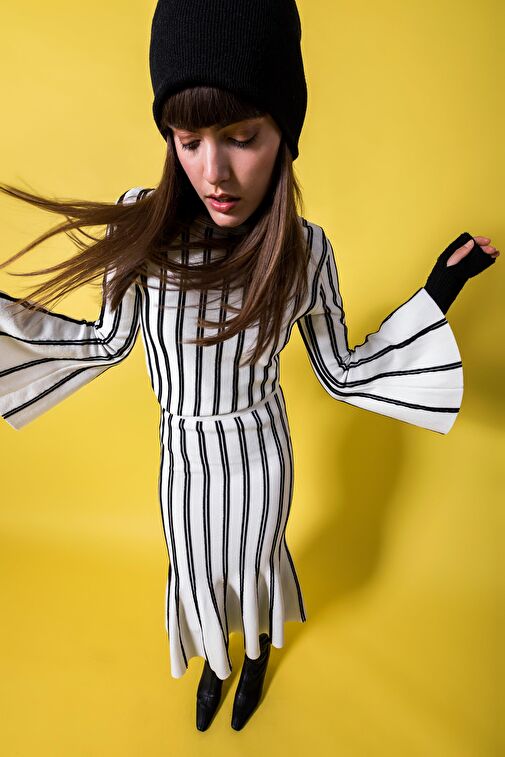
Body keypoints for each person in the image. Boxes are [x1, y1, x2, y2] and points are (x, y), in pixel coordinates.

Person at [0, 0, 498, 734]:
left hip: (261, 452)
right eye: (189, 140)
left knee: (256, 560)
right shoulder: (146, 227)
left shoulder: (305, 251)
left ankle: (257, 657)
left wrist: (439, 293)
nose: (215, 171)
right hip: (182, 453)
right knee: (194, 564)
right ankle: (218, 661)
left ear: (283, 135)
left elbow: (342, 372)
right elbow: (104, 343)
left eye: (241, 137)